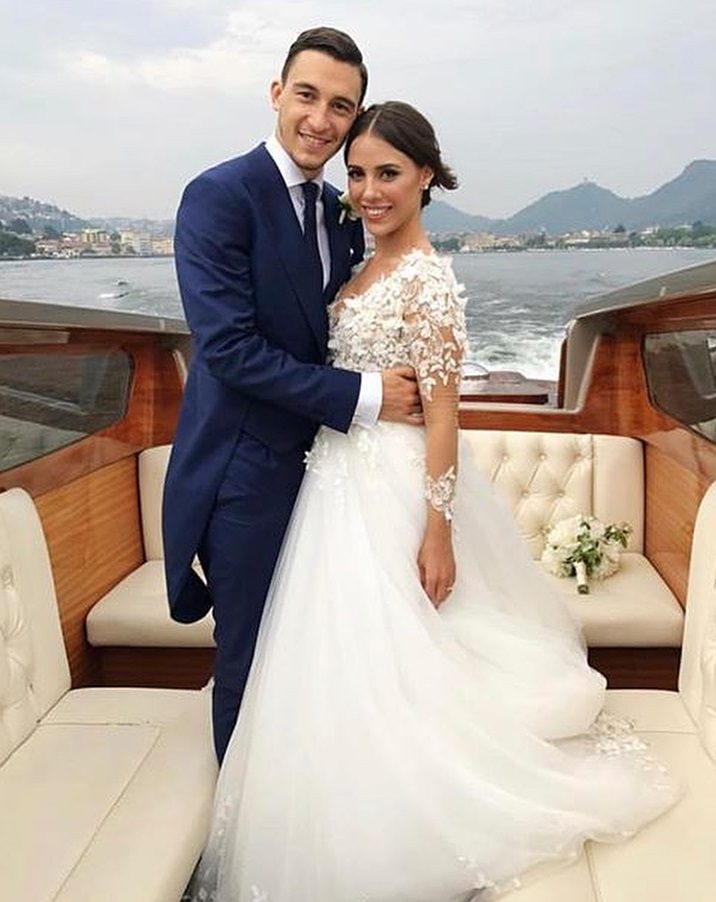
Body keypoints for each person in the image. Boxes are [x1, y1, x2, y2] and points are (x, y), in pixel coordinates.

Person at [189, 100, 678, 901]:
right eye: (357, 173)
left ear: (426, 176)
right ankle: (332, 809)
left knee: (403, 654)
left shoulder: (427, 281)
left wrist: (438, 529)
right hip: (331, 479)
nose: (368, 191)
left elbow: (445, 414)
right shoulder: (357, 263)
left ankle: (404, 817)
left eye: (388, 173)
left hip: (394, 485)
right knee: (336, 655)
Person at [162, 28, 422, 763]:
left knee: (321, 653)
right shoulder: (219, 196)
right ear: (277, 93)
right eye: (307, 95)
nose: (320, 119)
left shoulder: (343, 211)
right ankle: (237, 824)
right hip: (245, 473)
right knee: (249, 658)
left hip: (332, 477)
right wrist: (367, 397)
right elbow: (228, 349)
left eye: (341, 106)